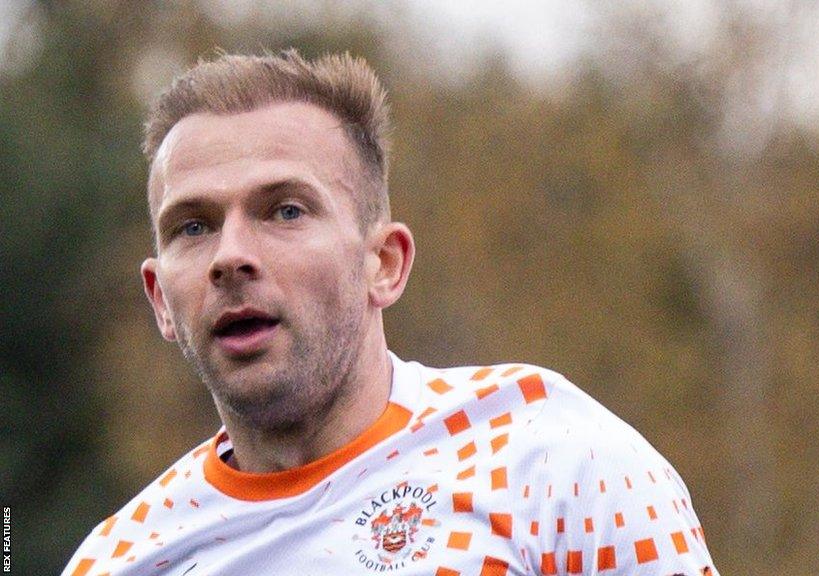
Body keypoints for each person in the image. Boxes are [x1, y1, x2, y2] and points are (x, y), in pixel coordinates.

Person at [62, 50, 719, 576]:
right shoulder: (121, 558)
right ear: (160, 300)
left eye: (285, 210)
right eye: (193, 227)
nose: (230, 256)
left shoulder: (556, 466)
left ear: (384, 264)